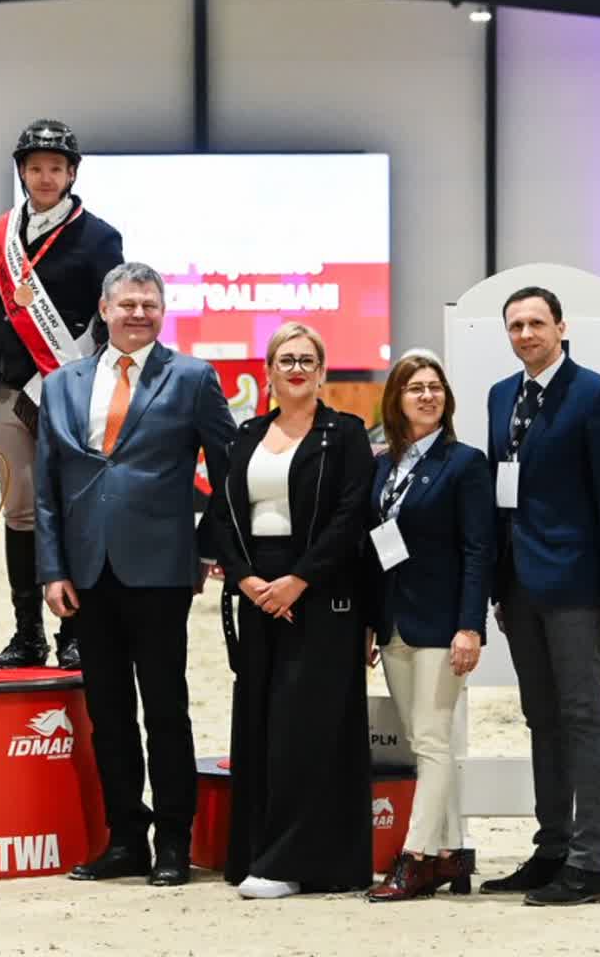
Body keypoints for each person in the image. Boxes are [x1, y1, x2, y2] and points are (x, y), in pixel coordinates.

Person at [34, 262, 235, 886]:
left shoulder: (193, 378)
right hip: (86, 574)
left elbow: (229, 471)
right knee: (108, 714)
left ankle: (173, 840)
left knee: (166, 710)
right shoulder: (61, 384)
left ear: (163, 311)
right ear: (104, 309)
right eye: (127, 304)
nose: (138, 314)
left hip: (161, 572)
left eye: (149, 304)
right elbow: (47, 486)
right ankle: (125, 839)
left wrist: (204, 550)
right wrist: (52, 568)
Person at [479, 286, 600, 906]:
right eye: (515, 325)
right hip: (517, 584)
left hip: (575, 581)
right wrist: (496, 583)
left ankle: (589, 863)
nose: (525, 334)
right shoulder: (501, 395)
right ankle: (552, 849)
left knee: (581, 715)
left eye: (536, 323)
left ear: (561, 327)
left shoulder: (595, 394)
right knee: (540, 718)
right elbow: (499, 494)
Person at [206, 322, 376, 899]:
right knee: (259, 723)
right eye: (286, 360)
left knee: (307, 729)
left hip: (321, 593)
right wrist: (246, 578)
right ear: (269, 372)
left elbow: (351, 517)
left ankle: (295, 862)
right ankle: (257, 853)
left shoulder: (345, 434)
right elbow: (223, 514)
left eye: (307, 360)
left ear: (322, 372)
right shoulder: (247, 434)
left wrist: (299, 580)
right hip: (258, 592)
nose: (297, 369)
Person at [0, 118, 125, 672]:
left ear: (71, 174)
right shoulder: (0, 235)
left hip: (67, 393)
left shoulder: (100, 237)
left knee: (70, 510)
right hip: (7, 390)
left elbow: (109, 315)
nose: (45, 177)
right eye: (36, 168)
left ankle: (75, 632)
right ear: (22, 172)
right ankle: (27, 633)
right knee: (20, 512)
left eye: (56, 168)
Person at [363, 350, 494, 901]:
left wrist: (470, 626)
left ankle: (414, 859)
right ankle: (450, 855)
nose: (426, 395)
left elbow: (478, 551)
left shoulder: (465, 464)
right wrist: (371, 623)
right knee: (422, 741)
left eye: (435, 387)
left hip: (443, 624)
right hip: (394, 623)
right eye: (415, 387)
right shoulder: (382, 466)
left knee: (434, 738)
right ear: (396, 399)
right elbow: (375, 550)